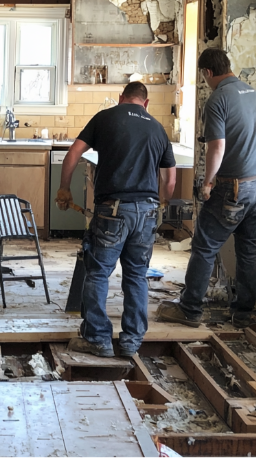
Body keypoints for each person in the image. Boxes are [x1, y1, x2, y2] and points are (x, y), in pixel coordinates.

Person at [55, 82, 176, 358]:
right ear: (146, 103)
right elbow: (170, 179)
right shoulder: (158, 128)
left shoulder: (105, 117)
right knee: (136, 275)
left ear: (122, 98)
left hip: (113, 210)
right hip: (146, 212)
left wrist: (64, 188)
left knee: (98, 272)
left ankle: (98, 339)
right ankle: (132, 341)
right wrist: (161, 204)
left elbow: (73, 153)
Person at [157, 48, 256, 329]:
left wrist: (208, 183)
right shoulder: (252, 93)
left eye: (204, 76)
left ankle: (190, 309)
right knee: (248, 250)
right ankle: (243, 313)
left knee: (204, 246)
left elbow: (217, 146)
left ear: (208, 72)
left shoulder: (218, 99)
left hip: (233, 186)